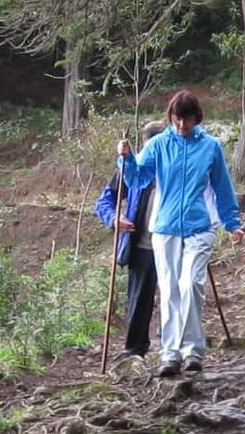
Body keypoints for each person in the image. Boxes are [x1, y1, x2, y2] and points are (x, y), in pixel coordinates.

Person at [117, 90, 244, 377]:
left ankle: (193, 351)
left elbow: (223, 188)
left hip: (199, 226)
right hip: (165, 227)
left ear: (196, 118)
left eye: (186, 120)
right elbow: (137, 178)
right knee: (170, 289)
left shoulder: (210, 147)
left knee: (190, 285)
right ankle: (170, 354)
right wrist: (126, 158)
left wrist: (232, 222)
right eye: (176, 119)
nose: (181, 125)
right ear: (171, 117)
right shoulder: (159, 145)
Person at [96, 121, 165, 358]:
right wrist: (115, 219)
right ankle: (135, 351)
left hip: (173, 241)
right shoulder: (131, 169)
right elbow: (104, 201)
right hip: (142, 244)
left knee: (173, 295)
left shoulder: (177, 169)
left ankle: (171, 347)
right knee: (138, 299)